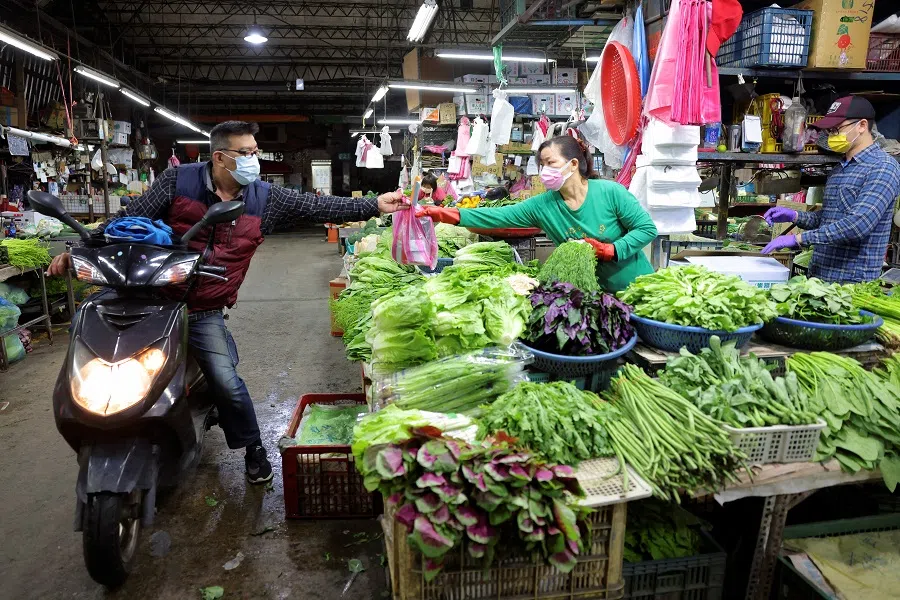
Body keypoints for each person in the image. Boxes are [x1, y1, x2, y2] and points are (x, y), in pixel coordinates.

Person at [47, 120, 406, 484]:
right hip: (153, 298)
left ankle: (253, 448)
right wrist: (80, 248)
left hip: (203, 309)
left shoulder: (266, 198)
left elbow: (316, 206)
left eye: (256, 152)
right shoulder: (177, 182)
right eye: (246, 153)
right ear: (219, 157)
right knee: (96, 350)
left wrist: (374, 205)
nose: (255, 160)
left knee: (227, 382)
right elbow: (129, 219)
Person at [421, 135, 657, 292]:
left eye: (550, 163)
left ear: (573, 164)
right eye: (541, 165)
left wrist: (611, 250)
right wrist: (444, 214)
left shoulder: (610, 192)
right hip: (593, 295)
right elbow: (497, 217)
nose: (544, 171)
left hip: (637, 287)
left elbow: (647, 229)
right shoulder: (543, 205)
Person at [763, 96, 900, 283]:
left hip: (852, 284)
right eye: (830, 131)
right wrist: (795, 216)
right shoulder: (840, 168)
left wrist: (799, 239)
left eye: (837, 129)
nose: (832, 135)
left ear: (861, 125)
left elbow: (856, 226)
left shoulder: (883, 168)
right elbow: (830, 219)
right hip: (819, 276)